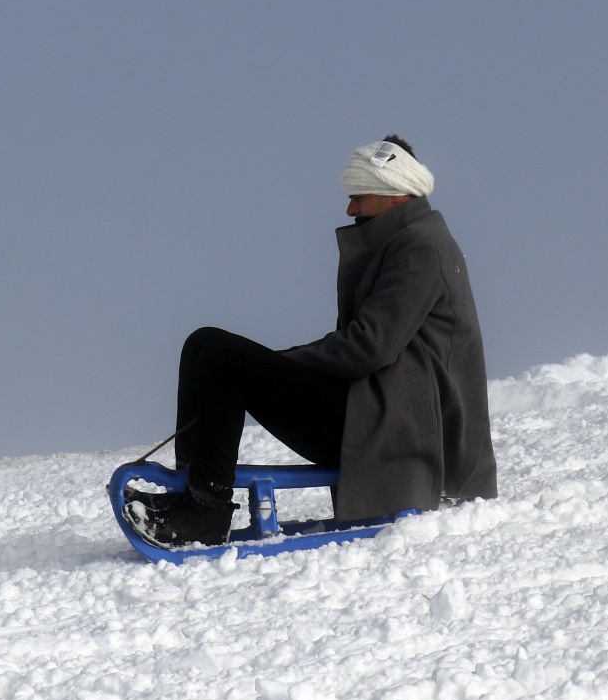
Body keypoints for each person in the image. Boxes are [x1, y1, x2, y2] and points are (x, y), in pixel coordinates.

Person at [129, 134, 498, 547]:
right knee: (204, 348)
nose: (350, 207)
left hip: (401, 432)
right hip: (378, 414)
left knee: (217, 353)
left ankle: (205, 512)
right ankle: (192, 498)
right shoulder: (404, 241)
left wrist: (285, 363)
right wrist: (281, 365)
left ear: (397, 194)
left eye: (359, 195)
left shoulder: (420, 247)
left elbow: (368, 346)